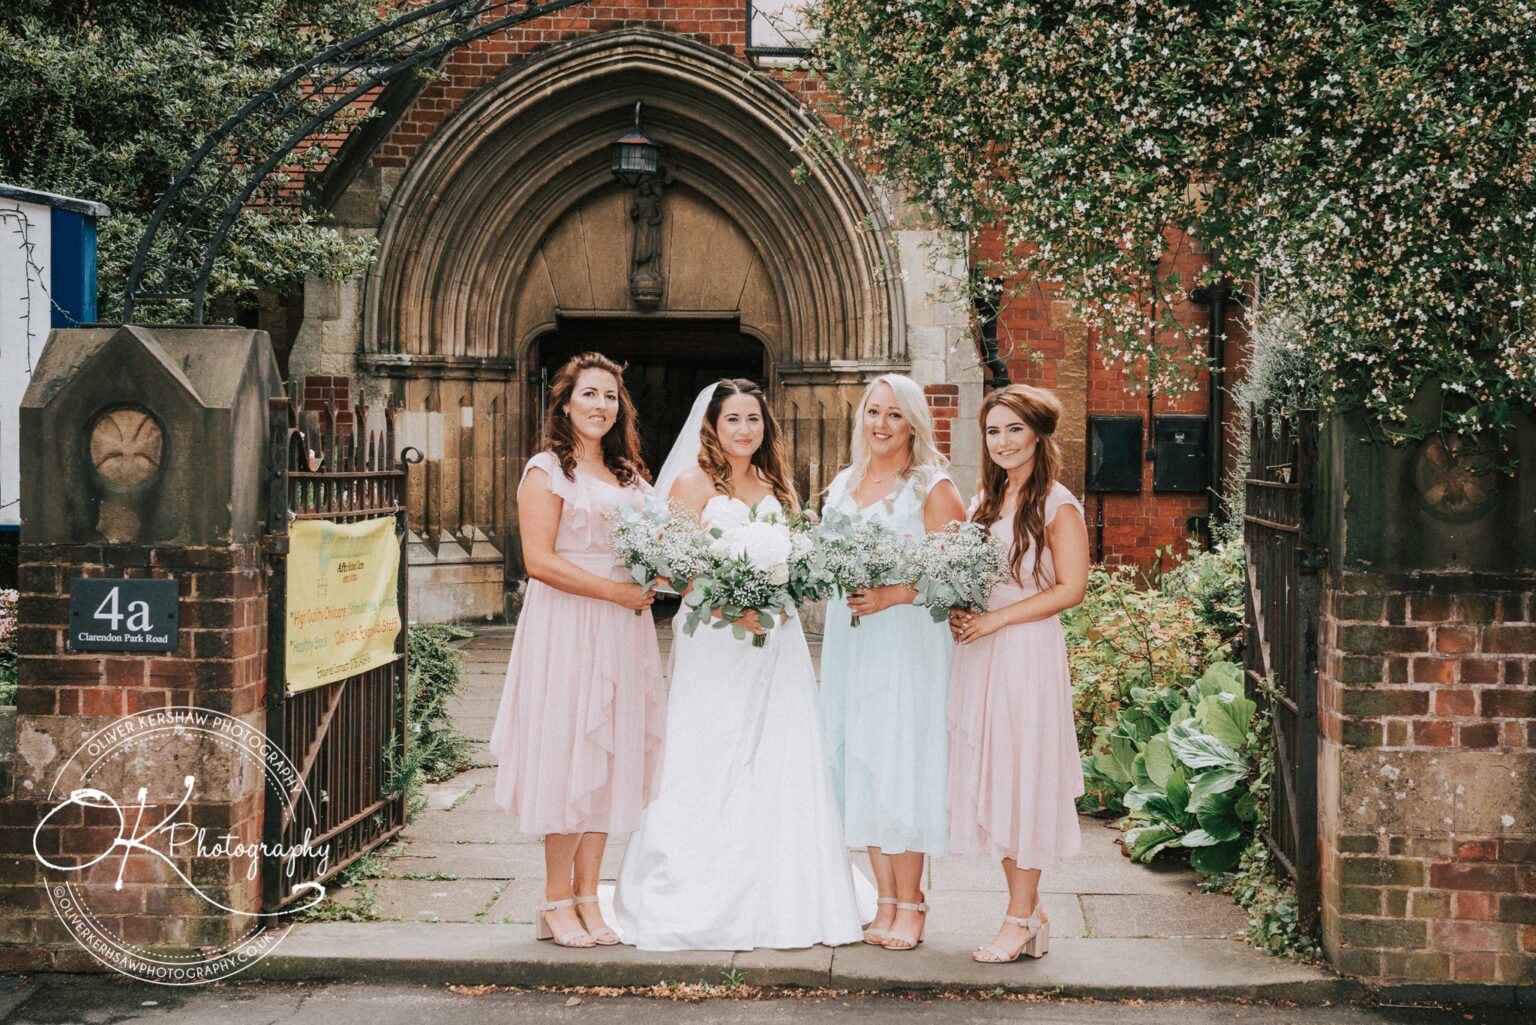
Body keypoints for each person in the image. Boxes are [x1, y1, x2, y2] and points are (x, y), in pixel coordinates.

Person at [611, 379, 873, 950]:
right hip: (714, 638)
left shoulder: (775, 482)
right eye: (733, 419)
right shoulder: (691, 483)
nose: (744, 430)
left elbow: (796, 558)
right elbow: (673, 572)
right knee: (710, 750)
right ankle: (699, 886)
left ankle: (784, 889)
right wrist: (730, 605)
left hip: (776, 643)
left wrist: (783, 599)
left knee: (781, 751)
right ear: (713, 425)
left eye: (753, 419)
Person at [488, 352, 663, 949]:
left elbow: (660, 543)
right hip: (568, 626)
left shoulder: (629, 475)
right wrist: (616, 590)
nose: (600, 406)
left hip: (622, 628)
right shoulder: (547, 470)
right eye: (589, 394)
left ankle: (590, 897)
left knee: (609, 759)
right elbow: (539, 562)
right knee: (568, 756)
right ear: (564, 403)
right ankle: (554, 899)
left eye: (610, 397)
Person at [818, 374, 965, 951]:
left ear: (913, 423)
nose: (881, 425)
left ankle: (913, 902)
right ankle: (882, 901)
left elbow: (956, 573)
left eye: (894, 415)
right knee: (862, 761)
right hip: (852, 640)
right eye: (873, 413)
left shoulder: (932, 486)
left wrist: (893, 594)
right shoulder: (841, 485)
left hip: (907, 644)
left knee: (902, 761)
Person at [947, 384, 1090, 964]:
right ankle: (1030, 911)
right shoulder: (986, 498)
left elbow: (1072, 588)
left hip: (1026, 653)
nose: (1002, 441)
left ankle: (1018, 917)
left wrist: (999, 618)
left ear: (1037, 434)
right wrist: (963, 607)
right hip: (983, 652)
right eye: (993, 430)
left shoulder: (1058, 504)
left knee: (1024, 777)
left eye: (1014, 429)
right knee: (999, 777)